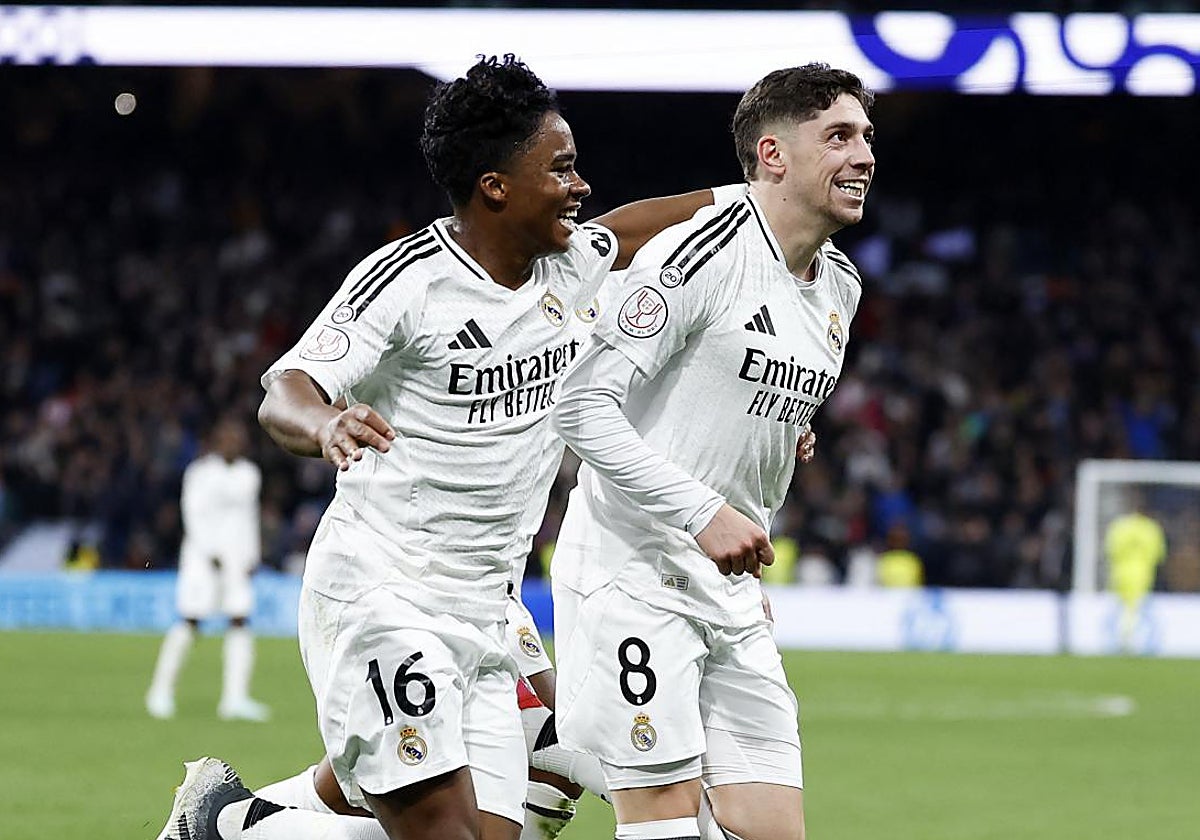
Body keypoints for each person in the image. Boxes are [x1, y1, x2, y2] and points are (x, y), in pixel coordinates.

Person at [154, 54, 745, 840]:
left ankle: (233, 827)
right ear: (496, 187)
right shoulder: (409, 282)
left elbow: (633, 227)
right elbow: (285, 389)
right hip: (383, 595)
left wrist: (758, 204)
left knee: (507, 830)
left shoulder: (569, 266)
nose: (581, 185)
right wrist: (326, 422)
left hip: (486, 609)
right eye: (561, 169)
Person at [549, 63, 875, 840]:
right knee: (661, 825)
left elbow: (742, 397)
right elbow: (580, 405)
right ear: (772, 155)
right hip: (634, 573)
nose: (864, 156)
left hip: (728, 592)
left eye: (867, 137)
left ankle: (553, 750)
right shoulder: (698, 255)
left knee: (769, 830)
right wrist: (705, 515)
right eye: (839, 136)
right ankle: (558, 749)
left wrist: (781, 432)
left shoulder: (841, 287)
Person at [146, 416, 269, 722]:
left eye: (239, 438)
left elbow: (249, 517)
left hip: (237, 560)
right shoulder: (200, 472)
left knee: (240, 620)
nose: (234, 443)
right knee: (191, 619)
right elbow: (192, 514)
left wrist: (251, 554)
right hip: (201, 560)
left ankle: (235, 698)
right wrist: (209, 551)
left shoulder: (248, 473)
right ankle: (160, 692)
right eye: (228, 437)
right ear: (217, 441)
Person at [1104, 494, 1166, 653]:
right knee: (1135, 608)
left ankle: (1116, 639)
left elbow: (1110, 550)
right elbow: (1159, 554)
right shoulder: (1151, 528)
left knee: (1121, 606)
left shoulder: (1119, 526)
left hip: (1119, 572)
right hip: (1141, 573)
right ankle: (1130, 640)